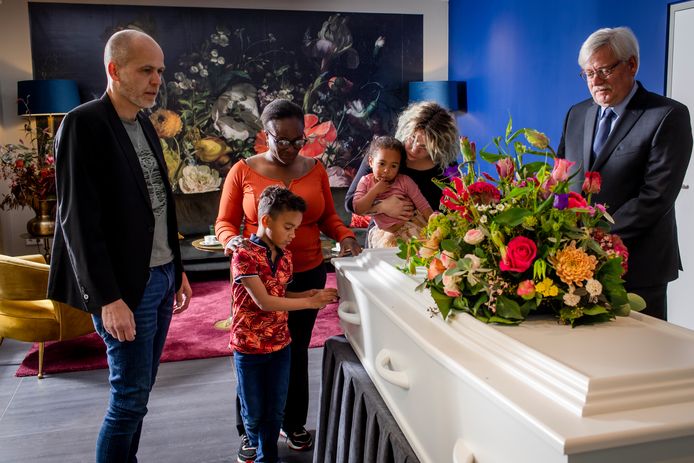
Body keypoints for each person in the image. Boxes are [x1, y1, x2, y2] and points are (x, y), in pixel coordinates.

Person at [47, 29, 192, 462]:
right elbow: (77, 223)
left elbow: (159, 204)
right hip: (126, 287)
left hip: (161, 276)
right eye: (146, 70)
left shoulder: (144, 122)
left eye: (160, 70)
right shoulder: (83, 124)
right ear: (114, 69)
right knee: (128, 399)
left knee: (139, 393)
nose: (156, 80)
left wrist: (176, 268)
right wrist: (107, 298)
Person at [215, 98, 361, 462]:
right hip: (258, 277)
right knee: (252, 350)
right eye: (282, 140)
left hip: (307, 268)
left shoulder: (316, 169)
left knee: (293, 350)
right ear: (265, 135)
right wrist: (231, 241)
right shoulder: (242, 171)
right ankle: (249, 432)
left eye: (298, 140)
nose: (292, 147)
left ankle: (293, 422)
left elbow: (328, 217)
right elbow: (224, 223)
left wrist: (345, 236)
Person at [557, 26, 692, 320]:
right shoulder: (576, 114)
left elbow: (655, 196)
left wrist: (594, 238)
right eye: (588, 73)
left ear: (632, 64)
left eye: (604, 70)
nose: (595, 81)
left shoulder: (667, 115)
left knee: (641, 347)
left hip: (639, 265)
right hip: (576, 263)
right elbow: (561, 180)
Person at [231, 185, 338, 463]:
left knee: (275, 410)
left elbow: (281, 294)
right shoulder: (244, 255)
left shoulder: (286, 256)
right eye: (288, 228)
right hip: (249, 348)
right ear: (266, 220)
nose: (293, 235)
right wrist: (309, 302)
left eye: (296, 229)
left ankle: (268, 457)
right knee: (254, 413)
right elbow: (265, 302)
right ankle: (257, 448)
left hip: (280, 345)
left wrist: (308, 294)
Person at [345, 101, 459, 243]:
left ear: (439, 146)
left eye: (424, 146)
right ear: (406, 130)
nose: (414, 149)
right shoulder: (385, 153)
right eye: (412, 138)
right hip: (384, 237)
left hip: (428, 240)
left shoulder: (447, 166)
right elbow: (350, 203)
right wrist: (382, 207)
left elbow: (458, 205)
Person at [353, 136, 434, 248]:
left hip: (409, 226)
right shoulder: (365, 182)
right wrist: (375, 191)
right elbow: (358, 208)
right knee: (387, 251)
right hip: (383, 233)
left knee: (416, 251)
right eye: (382, 164)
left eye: (393, 166)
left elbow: (423, 205)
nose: (387, 170)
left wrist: (436, 225)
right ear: (371, 162)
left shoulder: (404, 181)